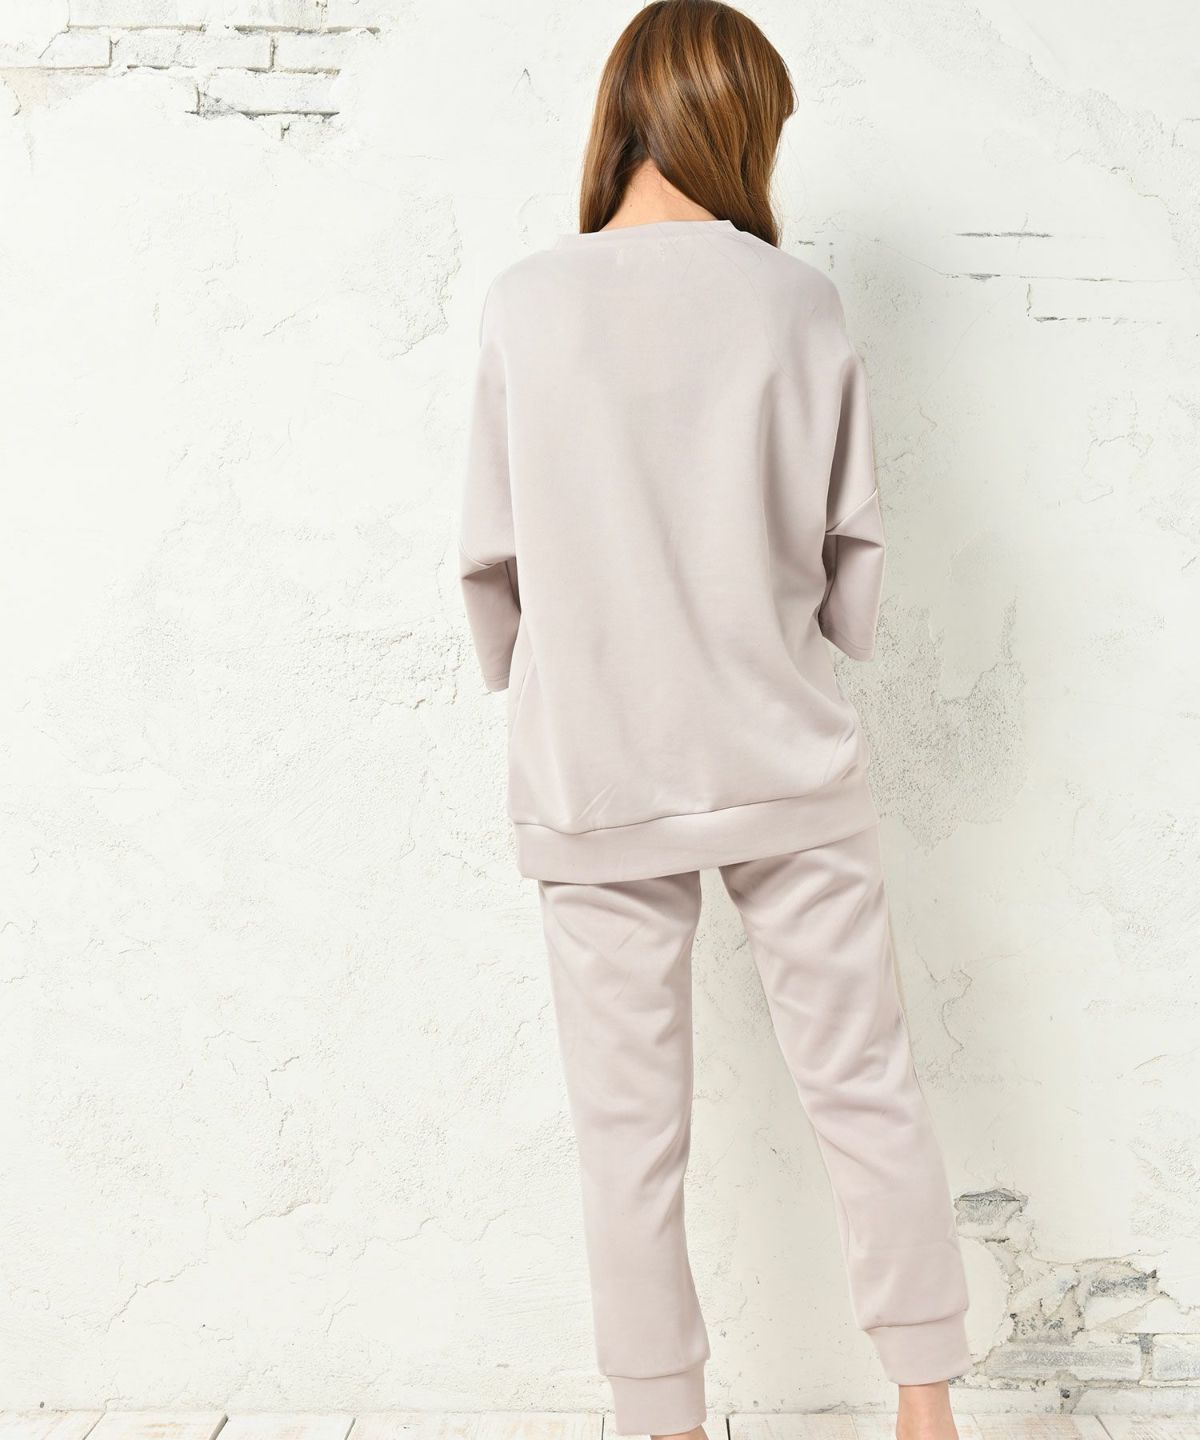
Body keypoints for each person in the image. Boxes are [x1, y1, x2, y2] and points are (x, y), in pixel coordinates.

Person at [457, 3, 971, 1438]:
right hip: (781, 752)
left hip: (594, 770)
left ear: (622, 108)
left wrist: (555, 678)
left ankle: (662, 1424)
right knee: (865, 1085)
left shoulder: (525, 301)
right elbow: (854, 551)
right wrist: (794, 636)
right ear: (742, 121)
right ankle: (927, 1407)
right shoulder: (795, 302)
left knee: (626, 1139)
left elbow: (490, 561)